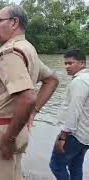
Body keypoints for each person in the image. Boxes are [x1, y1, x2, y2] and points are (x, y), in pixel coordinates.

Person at [0, 6, 59, 180]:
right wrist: (32, 114)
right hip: (12, 128)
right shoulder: (28, 49)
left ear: (14, 22)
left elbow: (28, 98)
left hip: (0, 134)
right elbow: (52, 80)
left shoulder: (11, 53)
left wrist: (8, 139)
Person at [49, 50, 89, 180]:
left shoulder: (79, 82)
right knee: (75, 167)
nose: (66, 66)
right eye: (65, 63)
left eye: (70, 63)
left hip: (74, 135)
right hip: (85, 135)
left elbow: (74, 110)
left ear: (82, 63)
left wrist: (63, 136)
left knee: (56, 165)